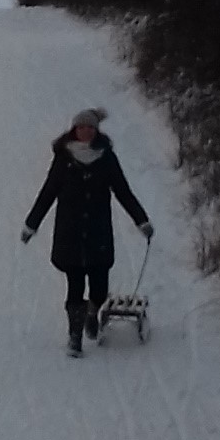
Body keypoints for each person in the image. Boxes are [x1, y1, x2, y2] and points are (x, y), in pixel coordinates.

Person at [21, 108, 154, 357]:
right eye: (81, 127)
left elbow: (123, 191)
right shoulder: (63, 158)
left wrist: (141, 220)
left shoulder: (107, 158)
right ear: (74, 130)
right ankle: (75, 336)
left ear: (96, 131)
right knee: (74, 284)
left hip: (98, 231)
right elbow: (48, 192)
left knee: (99, 287)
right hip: (69, 232)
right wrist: (32, 223)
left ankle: (93, 313)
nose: (85, 132)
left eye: (90, 128)